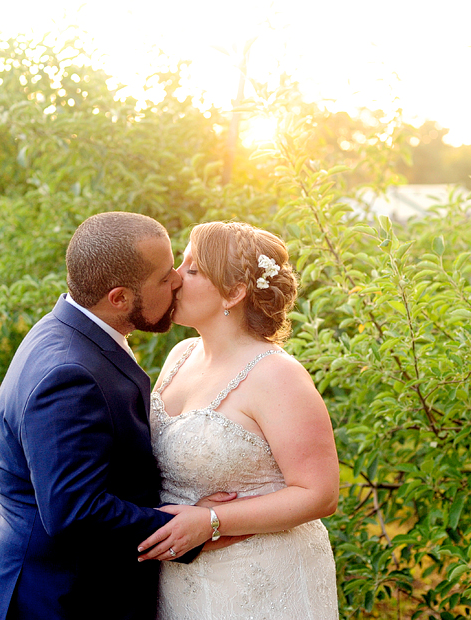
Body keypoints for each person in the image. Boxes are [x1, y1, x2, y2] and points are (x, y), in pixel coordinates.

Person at [0, 212, 225, 620]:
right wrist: (186, 528)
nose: (179, 280)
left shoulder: (68, 328)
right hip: (60, 597)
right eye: (164, 278)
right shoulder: (69, 375)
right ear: (119, 298)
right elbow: (74, 512)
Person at [136, 221, 340, 619]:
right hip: (181, 579)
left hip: (258, 582)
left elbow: (320, 493)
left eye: (193, 270)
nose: (175, 277)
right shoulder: (181, 355)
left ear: (234, 292)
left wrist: (213, 521)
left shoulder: (276, 375)